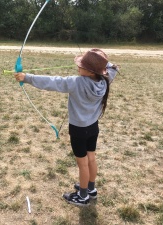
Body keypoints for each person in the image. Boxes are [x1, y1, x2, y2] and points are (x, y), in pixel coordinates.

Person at [14, 48, 119, 207]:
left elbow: (52, 82)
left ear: (91, 71)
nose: (78, 66)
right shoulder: (105, 78)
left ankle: (83, 196)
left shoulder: (76, 83)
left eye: (82, 65)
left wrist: (26, 78)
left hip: (78, 130)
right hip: (92, 127)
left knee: (82, 163)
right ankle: (91, 189)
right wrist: (99, 61)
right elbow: (114, 67)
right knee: (91, 158)